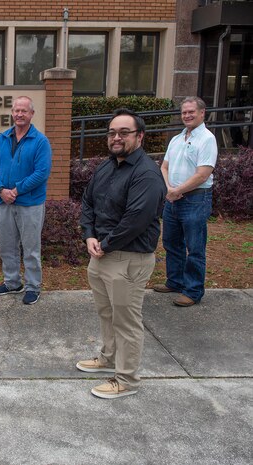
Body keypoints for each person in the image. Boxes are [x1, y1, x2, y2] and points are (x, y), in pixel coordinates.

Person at [78, 108, 166, 399]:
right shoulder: (107, 166)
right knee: (107, 313)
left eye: (124, 132)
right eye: (112, 132)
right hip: (101, 254)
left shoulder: (146, 174)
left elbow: (136, 219)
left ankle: (127, 379)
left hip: (128, 258)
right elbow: (88, 201)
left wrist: (105, 243)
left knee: (126, 320)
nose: (116, 137)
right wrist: (89, 235)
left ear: (139, 136)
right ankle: (109, 357)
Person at [0, 96, 52, 305]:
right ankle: (12, 283)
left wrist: (16, 190)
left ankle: (33, 286)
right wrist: (0, 189)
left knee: (31, 247)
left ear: (32, 114)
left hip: (30, 204)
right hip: (4, 202)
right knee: (7, 246)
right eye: (16, 110)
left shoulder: (40, 141)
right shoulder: (2, 138)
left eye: (24, 111)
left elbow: (42, 172)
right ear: (12, 113)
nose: (19, 114)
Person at [154, 97, 218, 307]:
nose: (187, 115)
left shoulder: (207, 139)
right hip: (173, 199)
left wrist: (177, 191)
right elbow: (164, 167)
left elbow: (203, 174)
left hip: (195, 199)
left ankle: (192, 291)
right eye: (184, 112)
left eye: (191, 112)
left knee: (195, 247)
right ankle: (175, 281)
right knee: (171, 243)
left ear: (202, 113)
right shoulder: (176, 139)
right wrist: (169, 190)